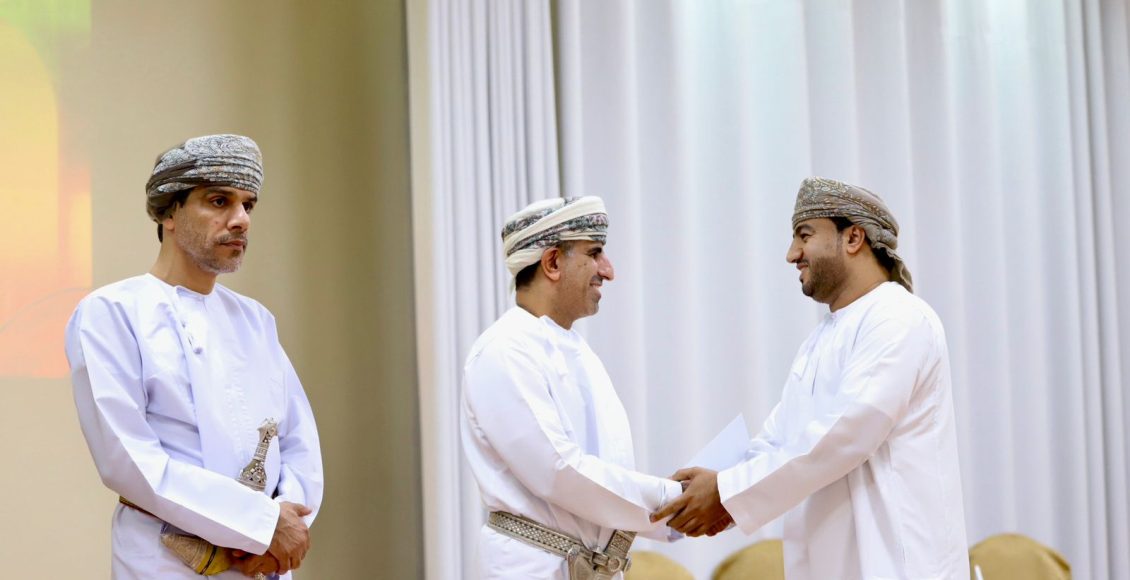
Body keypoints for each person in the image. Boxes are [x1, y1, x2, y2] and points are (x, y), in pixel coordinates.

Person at [654, 177, 969, 580]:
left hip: (899, 566)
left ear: (853, 238)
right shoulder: (820, 340)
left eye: (804, 235)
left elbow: (846, 434)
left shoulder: (899, 317)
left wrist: (727, 492)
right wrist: (707, 494)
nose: (792, 254)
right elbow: (779, 441)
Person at [65, 134, 324, 579]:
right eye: (219, 201)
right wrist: (260, 525)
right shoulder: (111, 312)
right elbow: (129, 462)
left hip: (265, 563)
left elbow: (298, 441)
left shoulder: (255, 319)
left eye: (248, 205)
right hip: (167, 560)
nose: (240, 220)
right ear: (169, 211)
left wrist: (287, 527)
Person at [461, 197, 681, 580]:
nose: (608, 271)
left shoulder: (578, 352)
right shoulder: (503, 351)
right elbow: (558, 471)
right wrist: (674, 501)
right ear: (552, 263)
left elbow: (603, 474)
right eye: (595, 253)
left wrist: (678, 513)